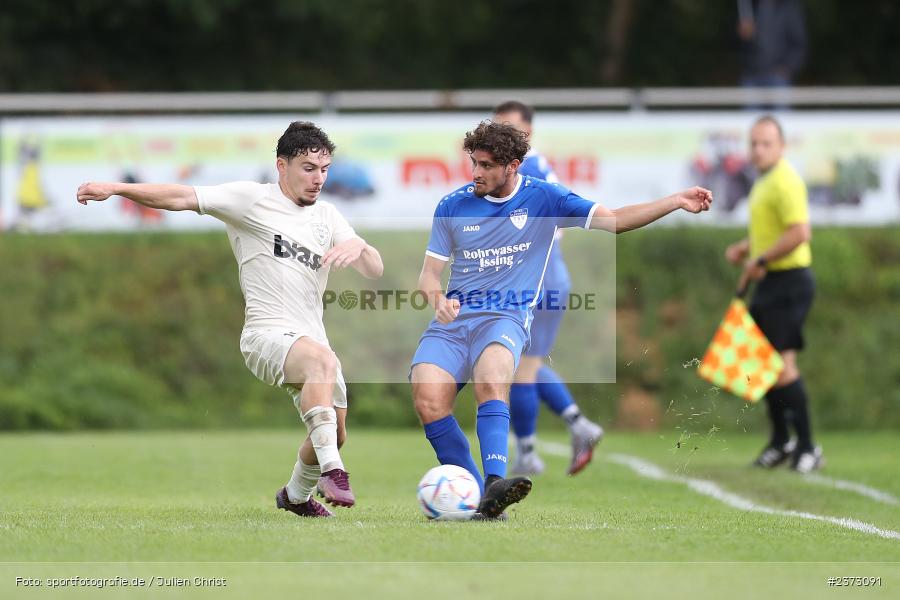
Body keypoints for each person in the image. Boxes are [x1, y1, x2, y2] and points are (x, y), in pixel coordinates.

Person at [76, 121, 384, 517]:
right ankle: (334, 473)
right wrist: (118, 188)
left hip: (310, 339)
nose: (318, 178)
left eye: (324, 169)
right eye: (309, 168)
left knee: (334, 433)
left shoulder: (327, 216)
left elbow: (373, 269)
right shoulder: (250, 199)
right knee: (324, 369)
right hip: (265, 335)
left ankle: (294, 496)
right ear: (282, 165)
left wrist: (360, 245)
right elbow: (180, 196)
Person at [411, 121, 712, 519]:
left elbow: (616, 220)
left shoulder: (545, 199)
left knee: (491, 378)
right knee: (428, 399)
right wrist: (437, 299)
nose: (476, 173)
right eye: (474, 163)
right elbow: (428, 274)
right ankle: (479, 500)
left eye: (486, 165)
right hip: (453, 322)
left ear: (513, 166)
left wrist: (674, 200)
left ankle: (494, 480)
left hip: (505, 317)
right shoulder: (452, 205)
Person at [493, 101, 604, 476]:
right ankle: (576, 424)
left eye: (510, 129)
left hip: (532, 284)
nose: (501, 137)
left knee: (512, 366)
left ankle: (526, 453)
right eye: (497, 128)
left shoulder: (522, 168)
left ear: (528, 133)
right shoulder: (535, 168)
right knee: (525, 363)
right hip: (550, 278)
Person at [726, 115, 822, 473]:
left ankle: (809, 447)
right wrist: (746, 248)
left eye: (766, 143)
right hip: (769, 281)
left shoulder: (786, 181)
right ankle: (782, 441)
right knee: (759, 365)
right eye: (754, 143)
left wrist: (761, 259)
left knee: (783, 367)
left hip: (789, 281)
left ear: (782, 146)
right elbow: (774, 232)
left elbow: (800, 232)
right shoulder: (763, 182)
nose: (758, 149)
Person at [737, 0, 807, 89]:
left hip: (779, 77)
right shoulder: (748, 7)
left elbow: (798, 44)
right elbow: (732, 45)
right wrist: (742, 35)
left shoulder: (789, 8)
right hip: (751, 75)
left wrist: (788, 67)